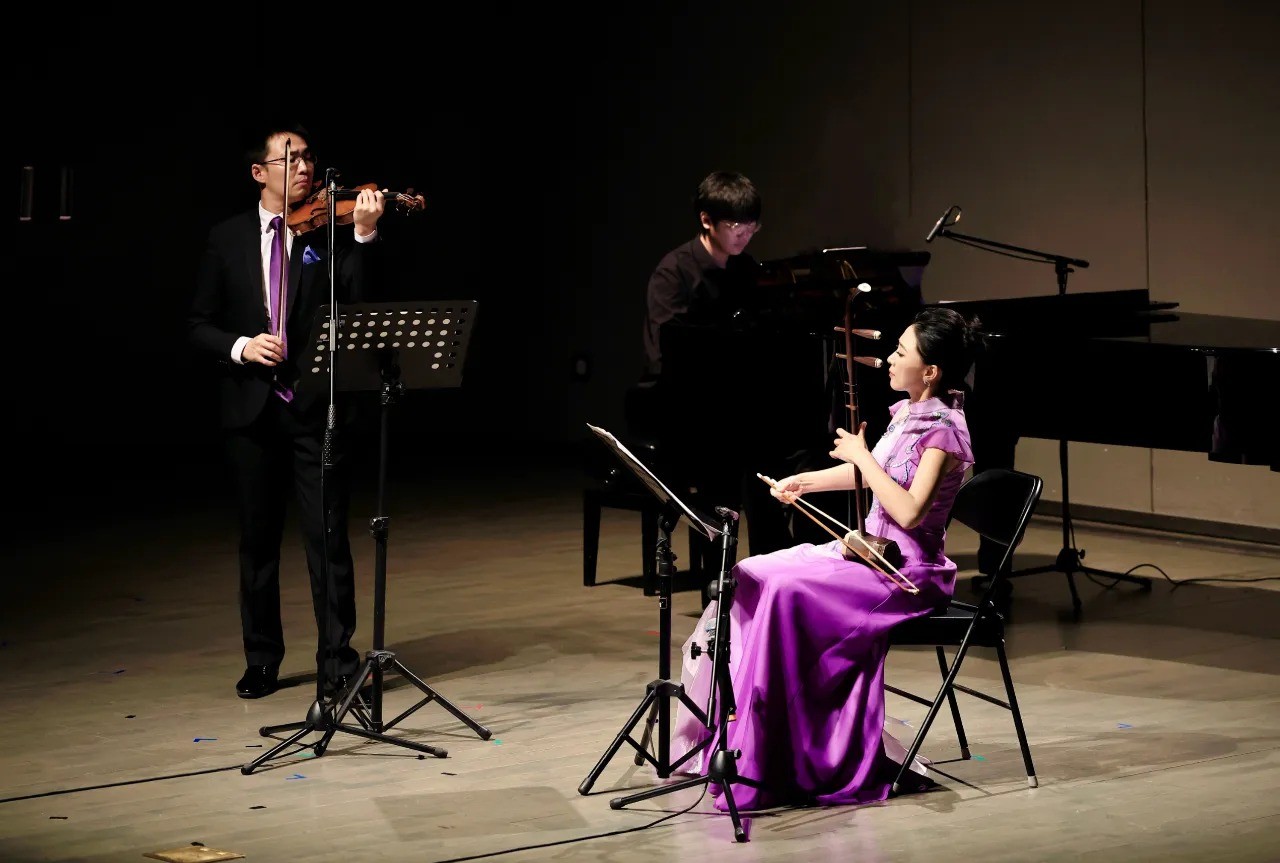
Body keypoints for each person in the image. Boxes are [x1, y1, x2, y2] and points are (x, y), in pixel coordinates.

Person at [671, 305, 985, 811]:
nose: (889, 359)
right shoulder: (909, 412)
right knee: (751, 573)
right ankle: (748, 732)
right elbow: (873, 474)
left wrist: (862, 457)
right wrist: (806, 483)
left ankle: (789, 753)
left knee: (786, 590)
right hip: (867, 552)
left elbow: (907, 511)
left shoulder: (946, 431)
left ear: (930, 371)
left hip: (904, 572)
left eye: (900, 352)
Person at [186, 120, 386, 699]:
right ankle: (261, 659)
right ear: (259, 172)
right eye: (290, 160)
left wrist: (364, 235)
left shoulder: (327, 230)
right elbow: (198, 323)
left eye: (307, 159)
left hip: (313, 406)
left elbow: (356, 302)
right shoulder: (226, 238)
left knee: (327, 537)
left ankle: (338, 660)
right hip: (250, 410)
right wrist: (241, 346)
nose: (304, 169)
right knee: (257, 542)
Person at [632, 171, 791, 558]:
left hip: (732, 401)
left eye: (751, 227)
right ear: (707, 220)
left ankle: (772, 564)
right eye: (736, 227)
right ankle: (718, 569)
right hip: (680, 402)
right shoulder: (673, 272)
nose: (745, 236)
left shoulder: (746, 269)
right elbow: (665, 353)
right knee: (729, 456)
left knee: (777, 454)